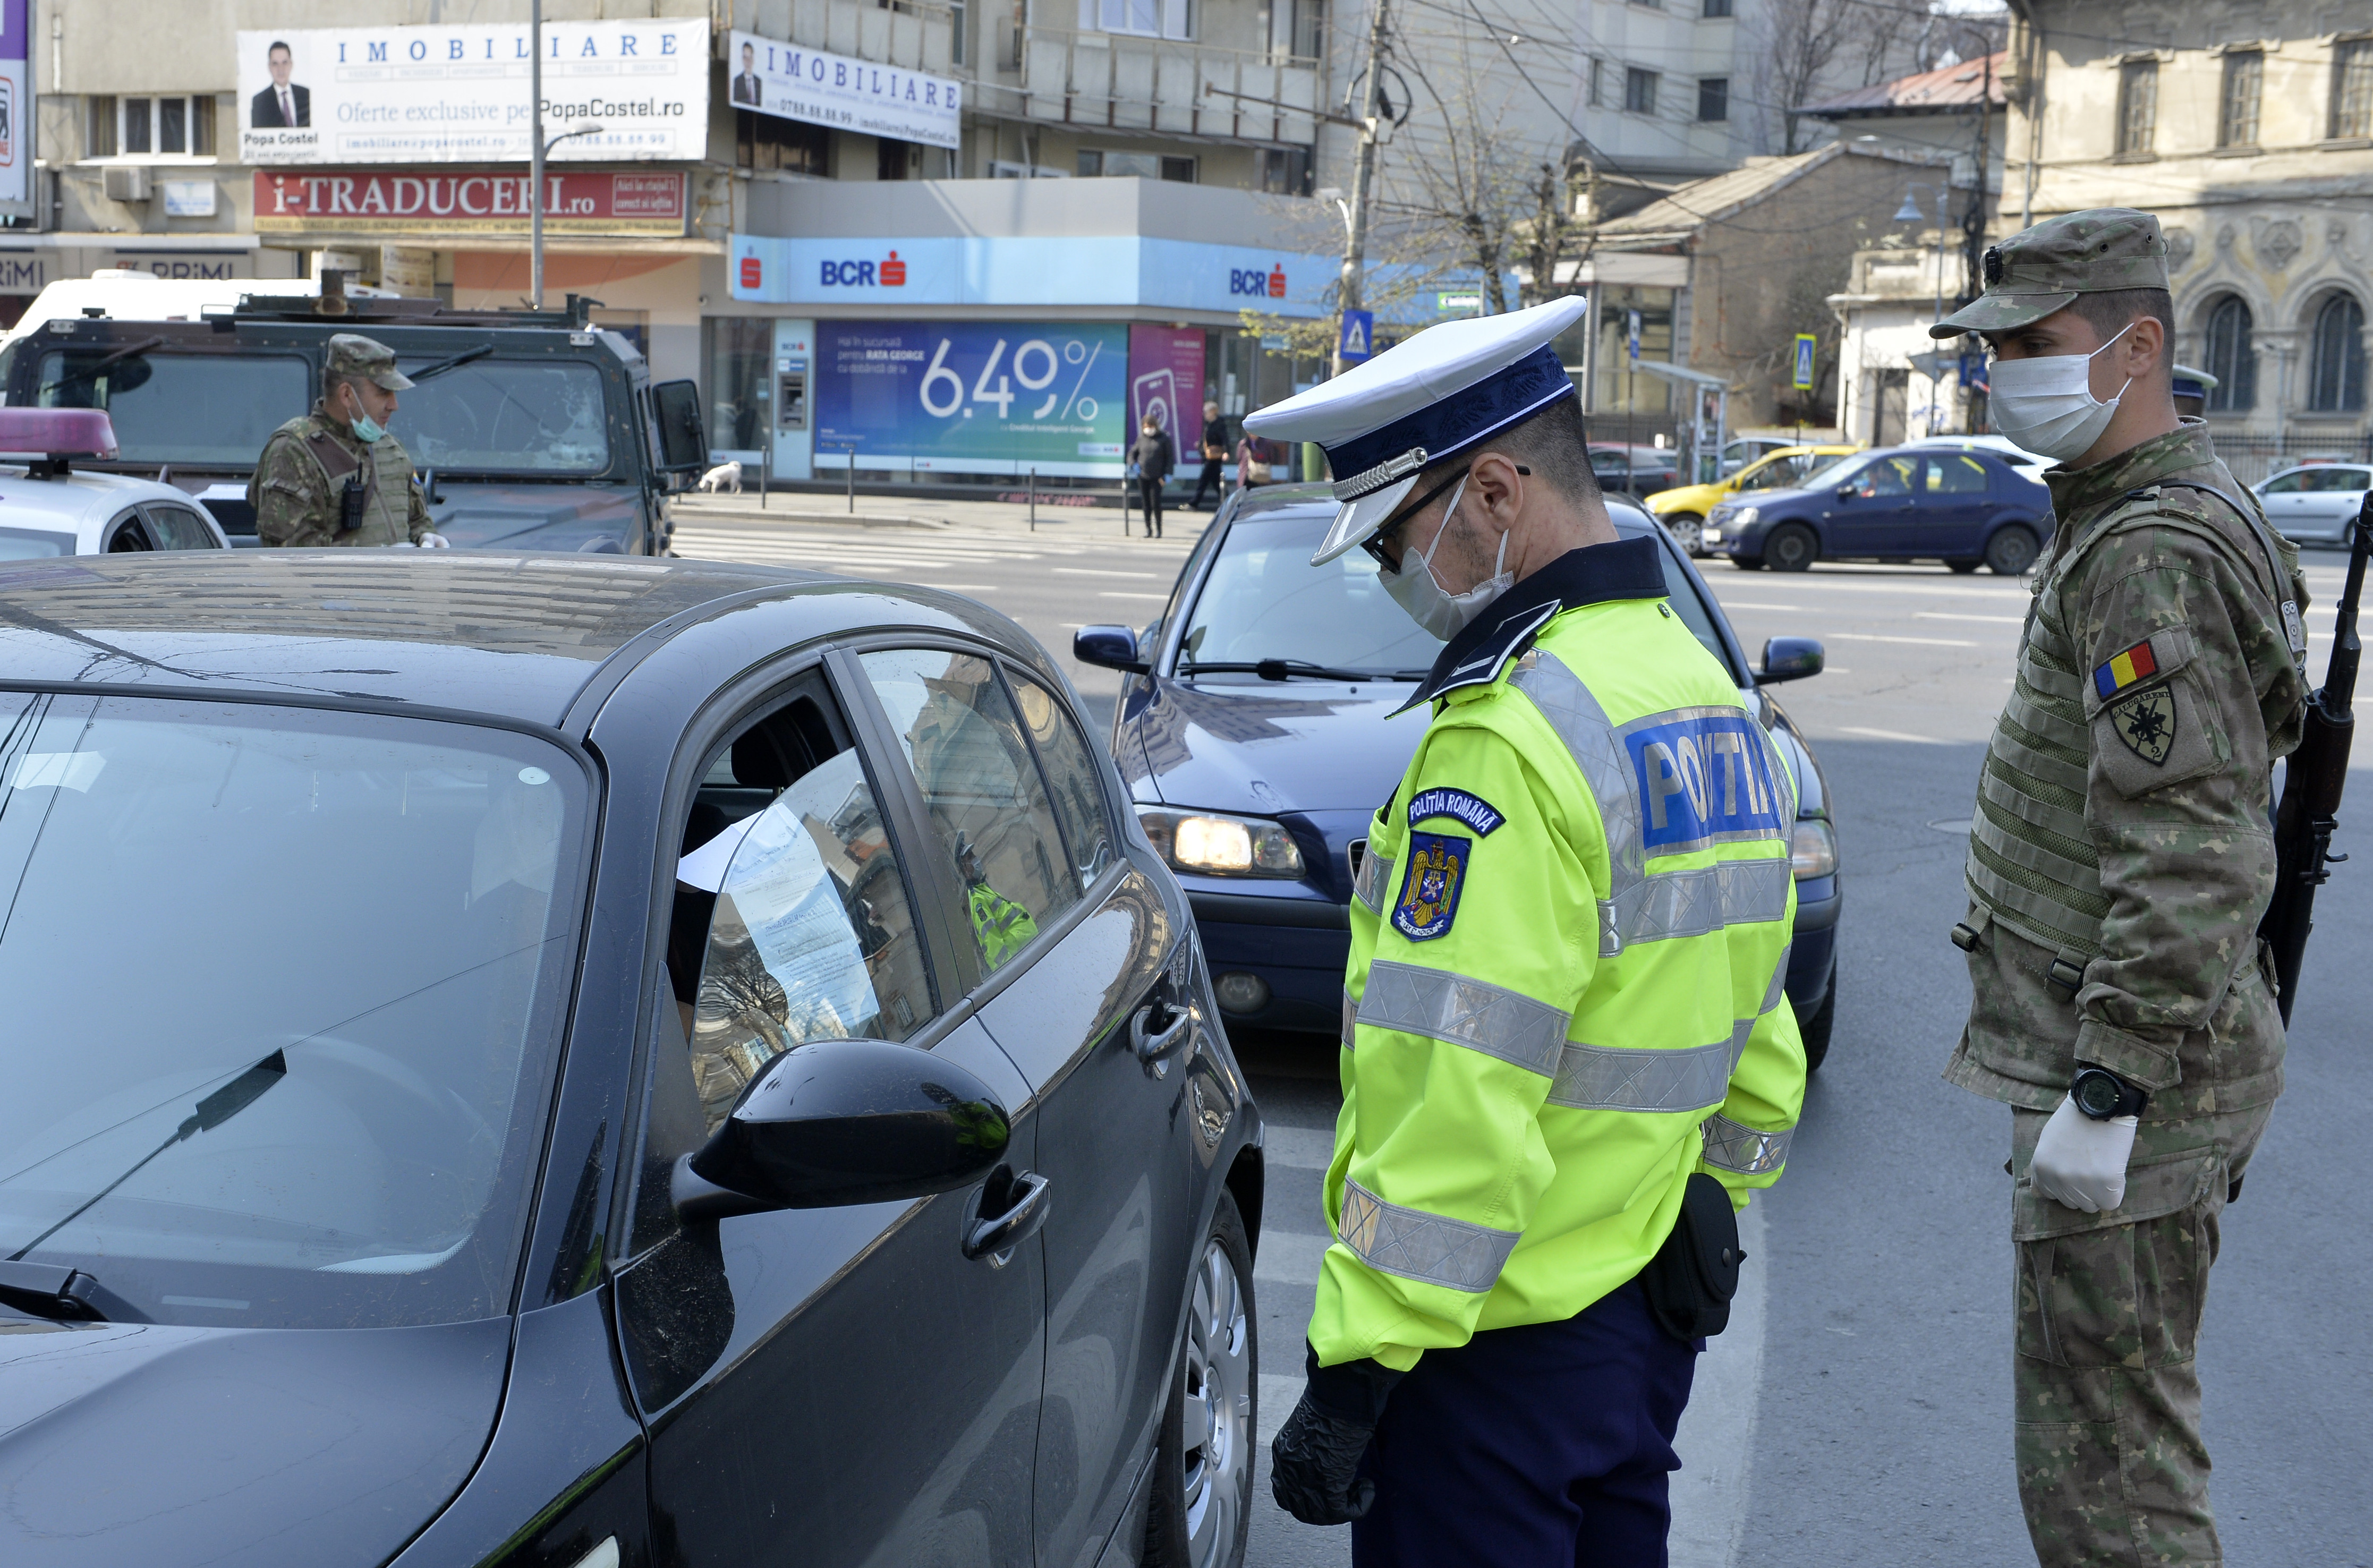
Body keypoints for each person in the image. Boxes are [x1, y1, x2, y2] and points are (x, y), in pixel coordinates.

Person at [1246, 297, 1805, 1566]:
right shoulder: (1700, 691)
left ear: (1495, 492)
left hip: (1488, 1348)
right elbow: (1755, 1007)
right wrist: (1715, 1194)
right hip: (1646, 1304)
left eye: (1394, 537)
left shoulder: (1506, 740)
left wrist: (1359, 1363)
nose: (1391, 577)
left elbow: (1456, 1083)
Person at [1929, 209, 2309, 1567]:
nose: (2001, 374)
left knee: (2112, 1490)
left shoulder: (2152, 548)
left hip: (2138, 1094)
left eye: (2032, 344)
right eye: (1993, 351)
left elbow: (2193, 850)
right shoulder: (2141, 510)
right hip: (2139, 1069)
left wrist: (2109, 1086)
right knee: (2103, 1454)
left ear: (2136, 347)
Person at [251, 334, 447, 549]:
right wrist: (376, 560)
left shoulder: (391, 448)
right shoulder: (294, 452)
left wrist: (426, 536)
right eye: (383, 392)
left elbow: (417, 519)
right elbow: (292, 551)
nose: (394, 405)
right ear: (346, 395)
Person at [1129, 414, 1173, 538]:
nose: (1148, 429)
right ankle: (1148, 529)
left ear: (1155, 426)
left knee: (1156, 503)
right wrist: (1133, 464)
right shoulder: (1141, 438)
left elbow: (1170, 458)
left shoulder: (1164, 438)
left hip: (1158, 477)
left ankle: (1159, 530)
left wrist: (1168, 473)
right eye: (1146, 427)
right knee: (1146, 504)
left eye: (1151, 426)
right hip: (1143, 476)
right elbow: (1132, 454)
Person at [251, 41, 309, 129]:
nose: (280, 69)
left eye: (285, 63)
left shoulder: (307, 95)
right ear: (269, 67)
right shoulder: (260, 102)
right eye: (275, 64)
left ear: (291, 65)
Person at [1191, 399, 1228, 508]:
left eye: (1206, 412)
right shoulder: (1208, 425)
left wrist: (1226, 452)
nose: (1204, 415)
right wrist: (1200, 445)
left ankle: (1194, 503)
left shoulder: (1219, 425)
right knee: (1216, 482)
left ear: (1212, 412)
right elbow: (1206, 439)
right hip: (1208, 457)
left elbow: (1225, 439)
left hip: (1214, 458)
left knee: (1204, 480)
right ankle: (1228, 501)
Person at [732, 41, 763, 106]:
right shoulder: (737, 81)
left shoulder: (759, 82)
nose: (748, 62)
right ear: (742, 59)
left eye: (750, 58)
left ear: (753, 60)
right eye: (745, 58)